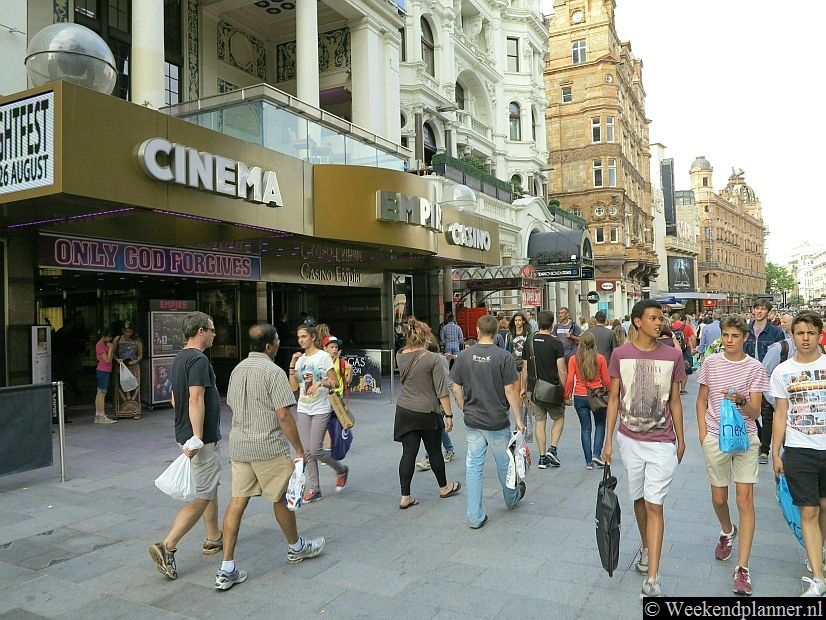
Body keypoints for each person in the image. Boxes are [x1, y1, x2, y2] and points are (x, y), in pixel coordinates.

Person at [216, 324, 325, 590]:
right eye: (276, 340)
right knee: (280, 498)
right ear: (268, 346)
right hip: (267, 446)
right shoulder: (272, 372)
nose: (279, 343)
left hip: (240, 445)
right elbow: (284, 415)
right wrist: (299, 449)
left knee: (237, 502)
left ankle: (226, 567)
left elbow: (231, 402)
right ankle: (296, 547)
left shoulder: (237, 369)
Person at [603, 300, 686, 598]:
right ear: (637, 322)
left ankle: (653, 576)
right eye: (653, 318)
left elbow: (675, 399)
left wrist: (681, 437)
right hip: (629, 440)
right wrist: (608, 440)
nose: (659, 322)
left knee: (655, 504)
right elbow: (614, 398)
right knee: (638, 498)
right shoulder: (620, 354)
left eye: (660, 318)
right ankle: (646, 545)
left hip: (662, 442)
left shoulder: (673, 355)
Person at [696, 315, 768, 596]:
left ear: (744, 338)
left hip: (746, 438)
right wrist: (703, 435)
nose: (728, 341)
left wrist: (741, 399)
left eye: (734, 336)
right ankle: (727, 530)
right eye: (725, 335)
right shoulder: (711, 363)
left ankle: (743, 568)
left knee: (744, 499)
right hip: (715, 435)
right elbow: (702, 400)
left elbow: (754, 412)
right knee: (719, 498)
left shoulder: (755, 368)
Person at [149, 312, 223, 580]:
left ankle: (213, 537)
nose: (215, 334)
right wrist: (198, 437)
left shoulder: (179, 358)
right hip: (199, 438)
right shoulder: (199, 360)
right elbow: (194, 399)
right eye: (213, 330)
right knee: (202, 495)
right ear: (202, 330)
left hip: (185, 433)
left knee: (209, 486)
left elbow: (173, 398)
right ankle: (167, 546)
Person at [450, 314, 526, 528]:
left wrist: (463, 406)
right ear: (495, 333)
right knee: (504, 463)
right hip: (497, 420)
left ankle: (474, 517)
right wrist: (518, 418)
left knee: (474, 466)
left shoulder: (464, 356)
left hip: (473, 420)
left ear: (476, 330)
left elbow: (455, 385)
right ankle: (511, 498)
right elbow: (510, 389)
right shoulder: (503, 356)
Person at [770, 311, 826, 597]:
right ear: (792, 336)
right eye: (800, 333)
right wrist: (775, 452)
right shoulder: (783, 371)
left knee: (823, 508)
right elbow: (780, 413)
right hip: (799, 449)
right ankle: (818, 577)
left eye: (810, 333)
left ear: (819, 334)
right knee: (808, 509)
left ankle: (820, 549)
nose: (805, 338)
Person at [395, 320, 462, 509]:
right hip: (427, 411)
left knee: (408, 453)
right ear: (426, 336)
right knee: (434, 451)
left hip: (404, 409)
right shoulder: (433, 358)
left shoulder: (400, 355)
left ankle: (405, 496)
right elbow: (442, 391)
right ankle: (444, 487)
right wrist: (448, 415)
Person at [288, 325, 348, 503]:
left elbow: (335, 382)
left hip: (321, 407)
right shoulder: (300, 360)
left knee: (315, 449)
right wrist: (292, 364)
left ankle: (341, 469)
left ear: (313, 337)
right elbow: (293, 387)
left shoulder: (323, 357)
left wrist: (320, 383)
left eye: (304, 336)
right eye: (299, 337)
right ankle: (315, 489)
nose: (301, 340)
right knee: (307, 451)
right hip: (304, 407)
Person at [520, 310, 566, 468]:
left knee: (540, 421)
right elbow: (561, 370)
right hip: (552, 389)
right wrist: (565, 389)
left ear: (538, 323)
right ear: (552, 324)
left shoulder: (529, 341)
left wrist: (522, 388)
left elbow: (524, 368)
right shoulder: (556, 343)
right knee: (559, 418)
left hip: (533, 389)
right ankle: (552, 449)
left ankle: (541, 458)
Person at [745, 301, 785, 465]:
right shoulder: (745, 330)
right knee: (748, 411)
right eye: (757, 308)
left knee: (767, 414)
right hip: (748, 376)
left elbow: (782, 354)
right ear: (753, 311)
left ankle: (765, 449)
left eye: (763, 309)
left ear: (768, 312)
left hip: (768, 377)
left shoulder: (775, 332)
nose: (759, 311)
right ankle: (760, 437)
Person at [564, 331, 610, 469]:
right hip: (597, 395)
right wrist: (612, 394)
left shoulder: (574, 359)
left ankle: (588, 461)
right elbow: (607, 380)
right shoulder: (600, 358)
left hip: (580, 396)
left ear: (580, 343)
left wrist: (567, 395)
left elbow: (570, 379)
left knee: (585, 428)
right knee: (600, 424)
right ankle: (597, 454)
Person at [112, 321, 143, 420]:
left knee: (134, 388)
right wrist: (117, 360)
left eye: (130, 331)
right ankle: (120, 412)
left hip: (133, 367)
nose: (128, 334)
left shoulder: (137, 341)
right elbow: (113, 353)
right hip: (121, 367)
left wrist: (134, 362)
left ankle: (135, 411)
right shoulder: (117, 339)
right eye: (126, 331)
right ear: (123, 331)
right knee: (120, 388)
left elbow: (140, 355)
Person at [93, 327, 116, 424]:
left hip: (104, 370)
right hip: (103, 370)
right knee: (102, 393)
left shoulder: (103, 344)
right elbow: (107, 360)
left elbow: (110, 357)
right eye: (109, 337)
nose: (110, 339)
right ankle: (101, 415)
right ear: (103, 336)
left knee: (100, 392)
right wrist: (111, 348)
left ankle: (98, 415)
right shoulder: (100, 345)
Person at [670, 312, 696, 394]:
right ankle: (683, 388)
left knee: (673, 368)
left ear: (673, 319)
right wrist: (693, 348)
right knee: (686, 368)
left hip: (673, 349)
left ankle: (674, 387)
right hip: (686, 349)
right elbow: (692, 337)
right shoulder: (687, 326)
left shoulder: (669, 327)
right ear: (680, 318)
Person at [508, 312, 531, 382]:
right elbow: (507, 350)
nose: (517, 322)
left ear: (523, 321)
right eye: (516, 320)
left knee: (525, 388)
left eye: (519, 320)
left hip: (526, 365)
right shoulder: (510, 335)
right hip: (514, 364)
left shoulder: (528, 334)